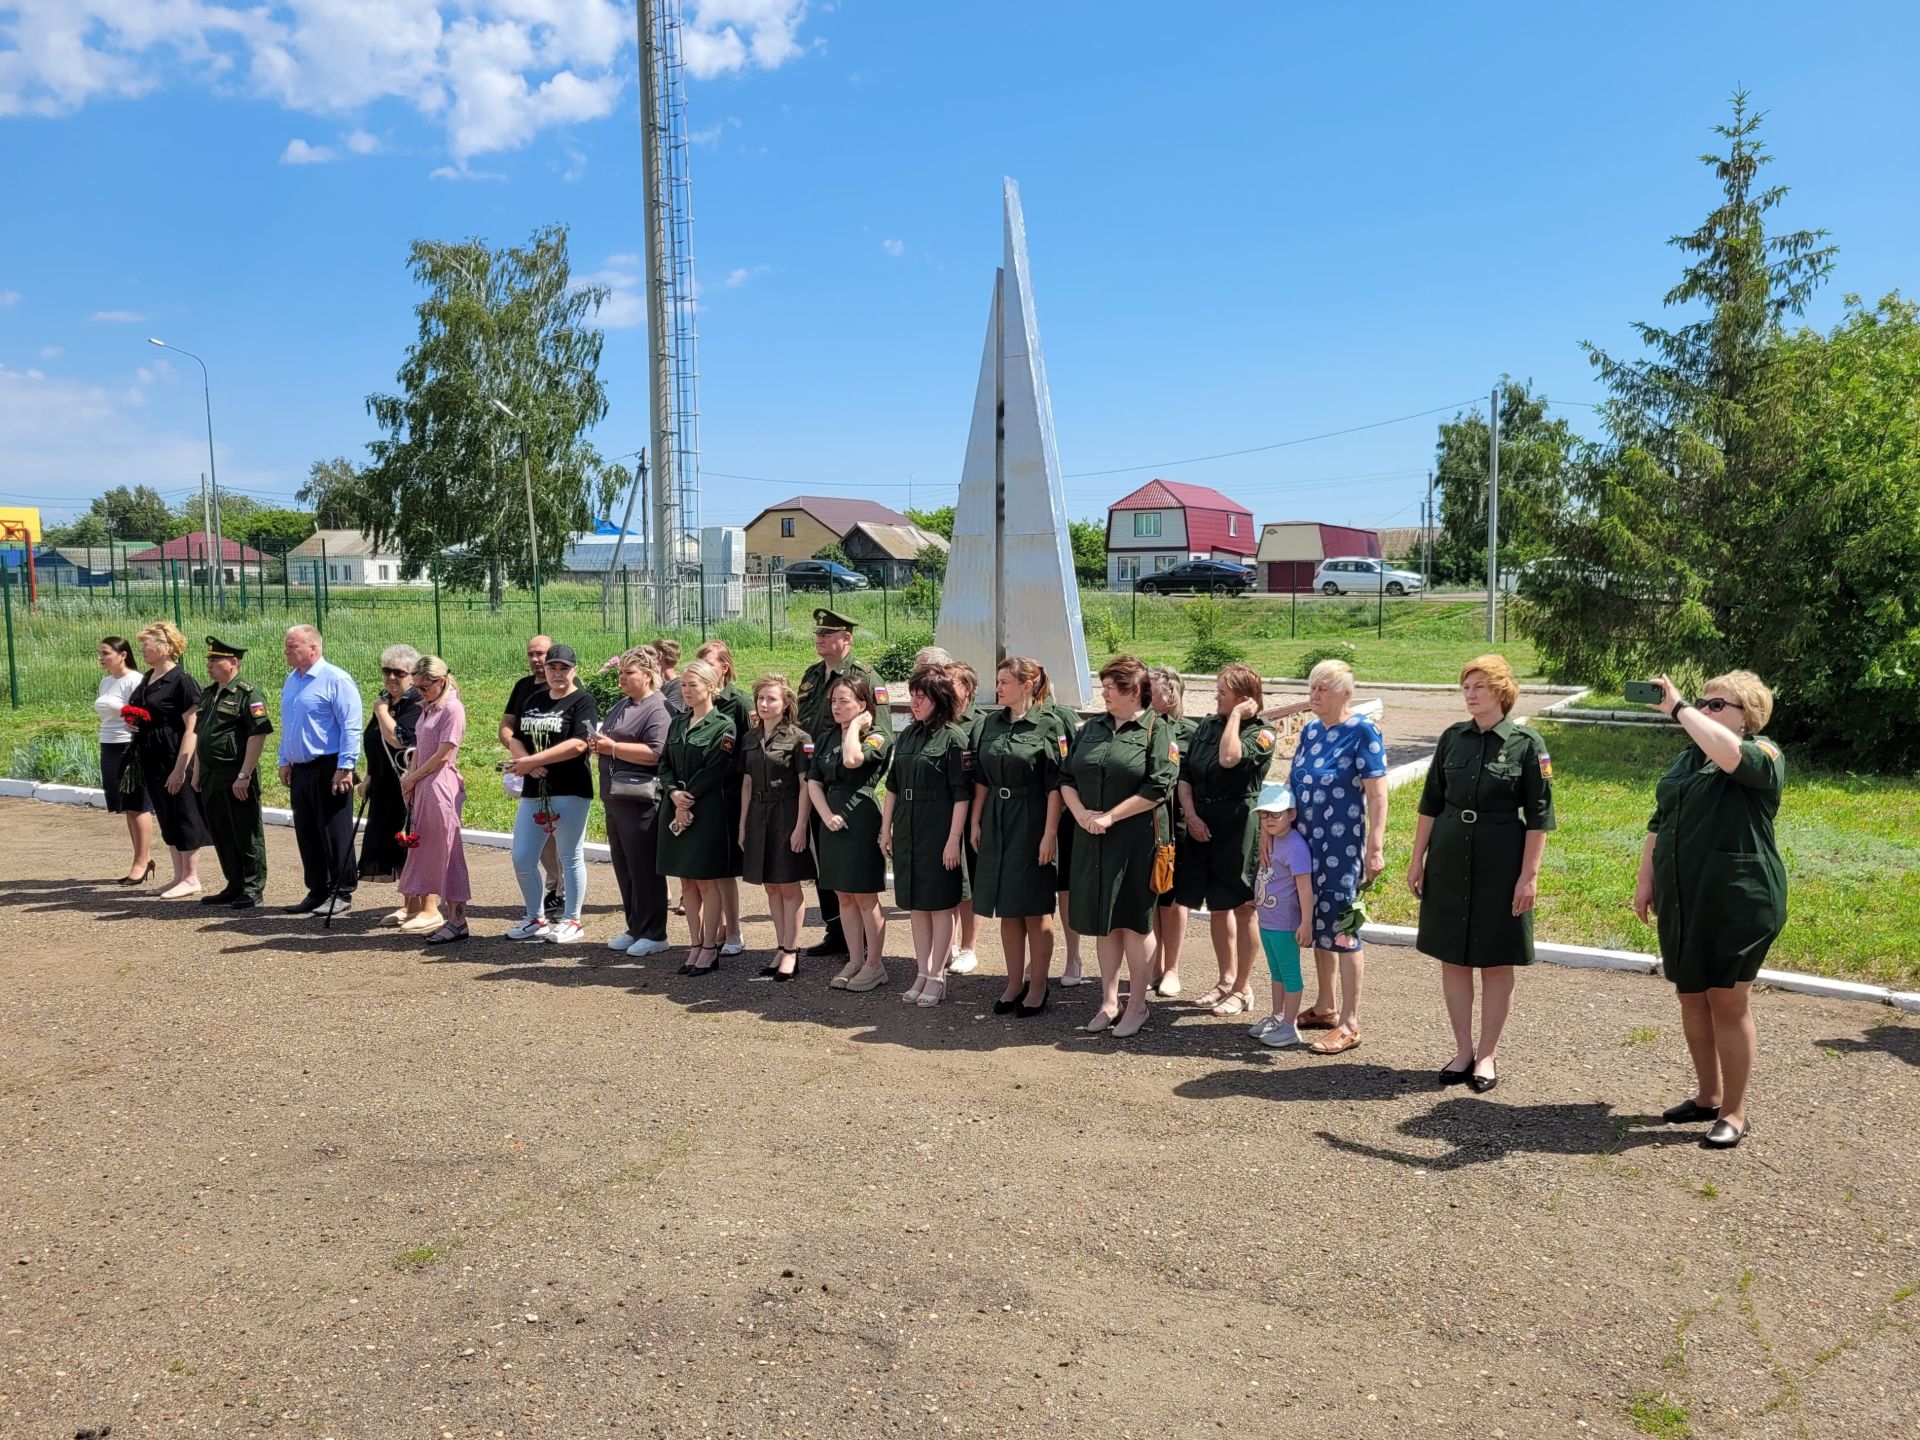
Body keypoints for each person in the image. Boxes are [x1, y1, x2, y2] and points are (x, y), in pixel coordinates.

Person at [1634, 670, 1786, 1150]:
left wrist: (1679, 707)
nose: (1704, 708)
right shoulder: (1687, 757)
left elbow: (1730, 755)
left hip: (1737, 898)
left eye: (1717, 705)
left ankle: (1735, 1112)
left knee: (1726, 999)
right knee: (1691, 996)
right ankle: (1707, 1095)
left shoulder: (1764, 754)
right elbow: (1660, 818)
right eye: (1704, 701)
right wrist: (1646, 878)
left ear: (1749, 717)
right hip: (1685, 892)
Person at [1407, 655, 1556, 1093]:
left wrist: (1528, 876)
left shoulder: (1528, 744)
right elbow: (1430, 802)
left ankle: (1487, 1054)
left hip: (1501, 860)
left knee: (1494, 961)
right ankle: (1462, 1050)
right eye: (1466, 688)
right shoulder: (1453, 738)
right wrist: (1418, 859)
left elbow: (1540, 816)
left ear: (1501, 691)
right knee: (1452, 956)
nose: (1470, 695)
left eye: (1479, 687)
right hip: (1450, 857)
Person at [1059, 655, 1179, 1038]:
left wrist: (1110, 816)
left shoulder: (1156, 730)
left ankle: (1138, 1004)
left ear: (1133, 692)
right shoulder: (1091, 727)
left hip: (1136, 841)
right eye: (1104, 686)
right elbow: (1065, 775)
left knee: (1133, 921)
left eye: (1112, 687)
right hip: (1090, 838)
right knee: (1104, 924)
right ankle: (1108, 1000)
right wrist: (1079, 813)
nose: (1104, 693)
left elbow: (1160, 786)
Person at [1287, 658, 1388, 1056]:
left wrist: (1374, 847)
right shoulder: (1311, 732)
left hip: (1343, 849)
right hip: (1306, 845)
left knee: (1345, 928)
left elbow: (1378, 794)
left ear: (1345, 694)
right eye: (1311, 688)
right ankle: (1326, 1006)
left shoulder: (1362, 731)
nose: (1314, 695)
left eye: (1322, 690)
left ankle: (1350, 1023)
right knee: (1317, 921)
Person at [1178, 663, 1278, 1016]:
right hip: (1202, 821)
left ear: (1245, 699)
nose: (1216, 695)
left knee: (1241, 907)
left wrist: (1236, 716)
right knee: (1218, 908)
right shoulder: (1207, 724)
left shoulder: (1262, 732)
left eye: (1224, 691)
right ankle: (1224, 980)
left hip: (1238, 826)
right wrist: (1190, 814)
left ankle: (1242, 988)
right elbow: (1186, 772)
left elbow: (1229, 758)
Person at [970, 657, 1065, 1016]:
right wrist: (976, 822)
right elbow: (980, 777)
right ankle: (1013, 982)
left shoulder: (1049, 725)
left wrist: (1049, 833)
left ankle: (1038, 985)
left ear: (1027, 685)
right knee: (1007, 906)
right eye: (997, 681)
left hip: (1032, 817)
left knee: (1035, 907)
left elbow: (1056, 785)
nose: (998, 688)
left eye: (1005, 682)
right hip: (996, 816)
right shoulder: (990, 723)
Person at [881, 665, 972, 1007]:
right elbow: (892, 785)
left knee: (940, 906)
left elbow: (961, 795)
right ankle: (921, 971)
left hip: (938, 828)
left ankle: (937, 974)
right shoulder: (907, 735)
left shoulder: (954, 738)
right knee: (916, 905)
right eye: (912, 696)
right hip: (907, 827)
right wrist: (884, 828)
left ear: (939, 699)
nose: (914, 703)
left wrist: (953, 840)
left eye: (921, 697)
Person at [794, 608, 879, 958]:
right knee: (823, 861)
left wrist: (862, 777)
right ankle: (836, 929)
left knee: (852, 870)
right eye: (818, 634)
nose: (820, 639)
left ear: (846, 639)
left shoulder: (865, 677)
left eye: (828, 634)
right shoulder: (812, 675)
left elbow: (879, 731)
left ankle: (860, 943)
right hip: (816, 777)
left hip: (848, 782)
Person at [503, 642, 598, 944]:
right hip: (534, 789)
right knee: (522, 857)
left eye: (564, 668)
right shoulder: (534, 698)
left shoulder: (582, 701)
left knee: (569, 855)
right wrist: (526, 764)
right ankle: (535, 917)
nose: (558, 673)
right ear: (545, 669)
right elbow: (516, 736)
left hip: (571, 788)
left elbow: (580, 744)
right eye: (553, 667)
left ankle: (572, 919)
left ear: (574, 671)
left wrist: (535, 761)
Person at [806, 673, 892, 992]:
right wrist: (825, 815)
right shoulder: (827, 736)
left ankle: (875, 964)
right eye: (833, 701)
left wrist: (854, 728)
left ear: (862, 704)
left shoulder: (877, 735)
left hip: (861, 816)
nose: (837, 707)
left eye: (844, 701)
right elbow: (813, 780)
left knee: (864, 895)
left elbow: (854, 760)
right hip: (832, 819)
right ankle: (855, 959)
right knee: (843, 894)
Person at [587, 646, 673, 960]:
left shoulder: (658, 708)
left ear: (648, 676)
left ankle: (654, 932)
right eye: (620, 673)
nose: (621, 679)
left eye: (629, 674)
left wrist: (612, 747)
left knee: (644, 868)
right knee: (625, 866)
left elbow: (656, 753)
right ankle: (635, 926)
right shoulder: (623, 704)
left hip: (641, 800)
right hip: (616, 797)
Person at [657, 657, 737, 973]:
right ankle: (694, 942)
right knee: (686, 883)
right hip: (676, 810)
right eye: (683, 686)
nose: (687, 691)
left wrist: (686, 800)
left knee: (706, 883)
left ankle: (709, 948)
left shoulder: (724, 726)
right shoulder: (677, 722)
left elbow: (715, 769)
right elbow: (664, 763)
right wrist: (674, 794)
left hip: (705, 811)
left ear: (711, 687)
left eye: (693, 685)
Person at [276, 624, 363, 918]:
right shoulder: (292, 680)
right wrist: (284, 759)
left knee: (333, 831)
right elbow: (288, 724)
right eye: (287, 646)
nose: (287, 650)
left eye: (293, 646)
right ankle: (318, 889)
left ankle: (342, 891)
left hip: (329, 766)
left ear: (313, 648)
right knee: (308, 831)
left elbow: (351, 726)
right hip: (300, 768)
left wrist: (346, 766)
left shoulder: (336, 679)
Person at [737, 673, 816, 979]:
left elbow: (805, 785)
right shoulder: (749, 738)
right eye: (761, 698)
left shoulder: (799, 738)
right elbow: (745, 784)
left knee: (788, 885)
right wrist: (743, 825)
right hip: (758, 814)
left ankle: (792, 951)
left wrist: (800, 827)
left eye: (772, 699)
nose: (765, 704)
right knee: (770, 885)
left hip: (786, 813)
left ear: (785, 704)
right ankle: (780, 946)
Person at [185, 635, 272, 908]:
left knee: (245, 832)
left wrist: (244, 775)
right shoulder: (210, 694)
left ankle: (251, 887)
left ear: (233, 662)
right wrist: (196, 773)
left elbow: (257, 735)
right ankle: (233, 884)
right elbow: (201, 735)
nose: (209, 665)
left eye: (215, 660)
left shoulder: (248, 693)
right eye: (208, 660)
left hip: (236, 774)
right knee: (221, 831)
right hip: (211, 775)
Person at [127, 621, 211, 898]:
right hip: (151, 756)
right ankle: (177, 876)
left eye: (146, 645)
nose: (141, 650)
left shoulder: (182, 681)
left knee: (183, 813)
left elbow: (192, 728)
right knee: (166, 814)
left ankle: (191, 877)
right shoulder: (148, 676)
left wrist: (180, 769)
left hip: (174, 755)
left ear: (164, 648)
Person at [396, 655, 470, 944]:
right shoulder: (428, 707)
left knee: (449, 853)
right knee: (428, 850)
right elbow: (419, 750)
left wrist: (413, 778)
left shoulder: (452, 708)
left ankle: (458, 920)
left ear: (440, 682)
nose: (419, 692)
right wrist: (410, 782)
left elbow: (443, 754)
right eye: (416, 687)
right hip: (424, 785)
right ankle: (446, 916)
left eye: (424, 687)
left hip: (441, 786)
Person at [501, 635, 564, 920]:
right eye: (531, 654)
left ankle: (560, 890)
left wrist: (538, 761)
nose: (536, 660)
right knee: (537, 834)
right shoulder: (522, 687)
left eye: (542, 654)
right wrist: (525, 759)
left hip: (560, 774)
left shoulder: (569, 690)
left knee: (558, 834)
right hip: (529, 772)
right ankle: (551, 889)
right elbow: (507, 727)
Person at [697, 640, 751, 956]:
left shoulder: (738, 703)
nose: (707, 670)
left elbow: (747, 752)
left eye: (712, 664)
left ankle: (733, 932)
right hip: (704, 793)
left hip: (729, 793)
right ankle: (714, 929)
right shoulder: (699, 700)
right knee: (710, 868)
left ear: (725, 667)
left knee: (726, 869)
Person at [361, 644, 423, 921]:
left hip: (408, 782)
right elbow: (373, 741)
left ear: (412, 676)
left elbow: (399, 738)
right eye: (387, 671)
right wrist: (369, 776)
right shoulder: (387, 700)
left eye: (399, 672)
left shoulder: (414, 703)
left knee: (410, 841)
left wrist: (381, 711)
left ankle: (423, 906)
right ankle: (409, 903)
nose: (391, 678)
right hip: (384, 783)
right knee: (394, 844)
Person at [1250, 784, 1314, 1048]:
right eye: (1264, 814)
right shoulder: (1271, 840)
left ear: (1291, 814)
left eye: (1275, 814)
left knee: (1289, 973)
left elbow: (1304, 887)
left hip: (1286, 924)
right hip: (1267, 921)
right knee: (1275, 972)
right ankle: (1278, 1016)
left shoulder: (1296, 847)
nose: (1269, 819)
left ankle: (1290, 1025)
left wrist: (1306, 922)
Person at [1145, 666, 1194, 998]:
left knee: (1172, 899)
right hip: (1146, 824)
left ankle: (1172, 967)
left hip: (1177, 825)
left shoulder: (1190, 732)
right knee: (1151, 896)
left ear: (1170, 693)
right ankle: (1155, 965)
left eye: (1150, 690)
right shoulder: (1141, 728)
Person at [95, 635, 154, 885]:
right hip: (108, 744)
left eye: (106, 653)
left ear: (123, 655)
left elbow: (143, 716)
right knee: (126, 806)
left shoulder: (135, 680)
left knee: (138, 805)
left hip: (128, 746)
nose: (101, 657)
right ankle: (144, 858)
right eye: (100, 653)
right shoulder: (106, 681)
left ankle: (141, 863)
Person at [946, 660, 985, 976]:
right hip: (938, 814)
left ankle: (969, 947)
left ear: (968, 689)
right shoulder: (935, 722)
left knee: (965, 884)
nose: (944, 687)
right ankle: (950, 944)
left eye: (952, 682)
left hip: (969, 810)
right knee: (944, 883)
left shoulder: (979, 724)